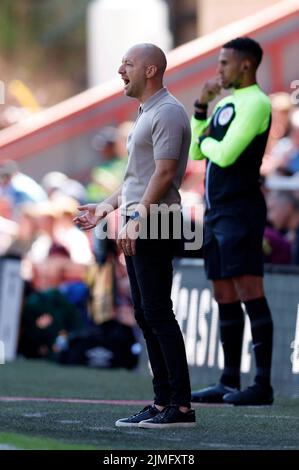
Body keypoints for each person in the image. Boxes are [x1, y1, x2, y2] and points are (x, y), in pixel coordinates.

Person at [74, 43, 195, 428]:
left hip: (155, 220)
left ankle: (181, 406)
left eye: (128, 63)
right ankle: (163, 403)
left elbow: (163, 174)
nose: (120, 69)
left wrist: (136, 218)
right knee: (146, 314)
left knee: (158, 313)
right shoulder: (147, 111)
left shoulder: (169, 111)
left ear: (151, 70)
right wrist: (104, 208)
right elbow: (135, 180)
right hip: (141, 219)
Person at [190, 37, 274, 405]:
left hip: (240, 211)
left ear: (244, 65)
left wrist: (207, 139)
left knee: (248, 290)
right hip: (216, 211)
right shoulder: (224, 103)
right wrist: (201, 109)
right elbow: (195, 150)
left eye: (224, 63)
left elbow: (223, 154)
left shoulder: (256, 102)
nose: (218, 70)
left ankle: (263, 384)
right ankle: (228, 380)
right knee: (222, 292)